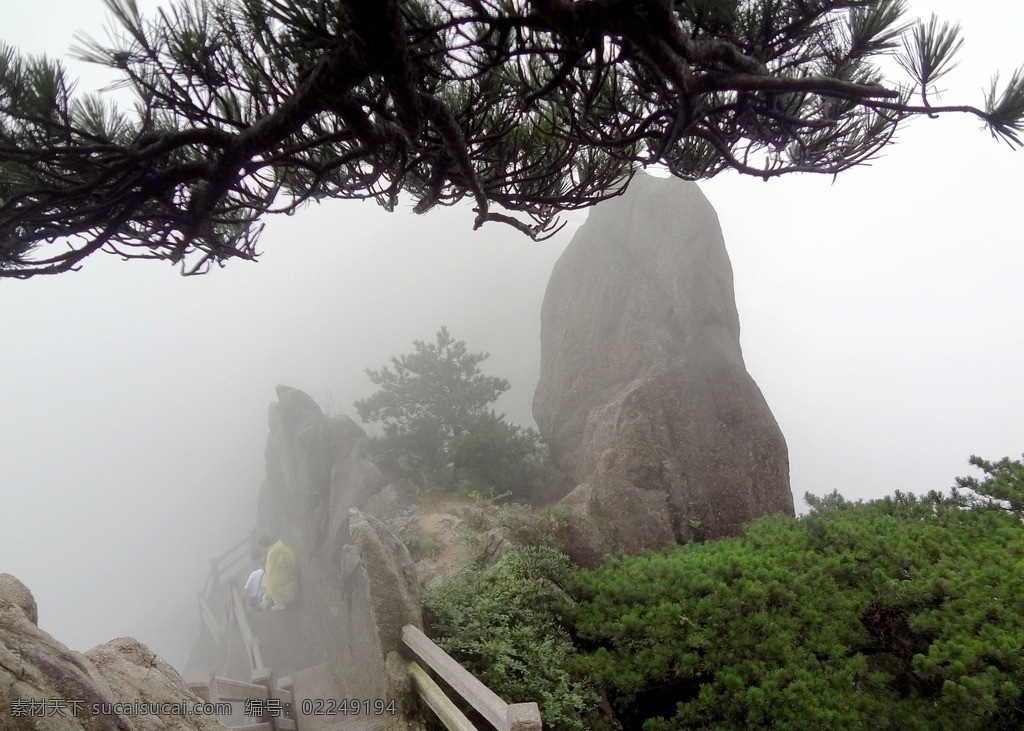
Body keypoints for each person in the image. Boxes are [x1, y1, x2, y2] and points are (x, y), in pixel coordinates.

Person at [263, 538, 298, 610]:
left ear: (263, 546)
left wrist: (267, 579)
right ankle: (284, 603)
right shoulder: (279, 546)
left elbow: (270, 568)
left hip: (281, 576)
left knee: (271, 587)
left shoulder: (271, 552)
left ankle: (279, 604)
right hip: (289, 572)